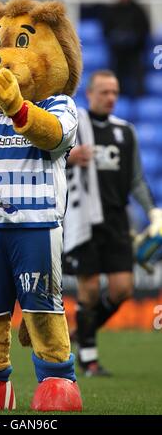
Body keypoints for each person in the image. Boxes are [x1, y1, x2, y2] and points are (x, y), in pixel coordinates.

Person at [63, 69, 162, 376]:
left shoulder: (125, 131)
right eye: (104, 92)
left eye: (115, 92)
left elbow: (135, 179)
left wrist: (152, 211)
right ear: (90, 94)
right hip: (83, 220)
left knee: (122, 289)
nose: (110, 98)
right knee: (89, 291)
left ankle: (81, 332)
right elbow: (45, 157)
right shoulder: (73, 128)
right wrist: (68, 157)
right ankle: (89, 359)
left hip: (117, 221)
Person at [103, 0, 150, 97]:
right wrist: (116, 38)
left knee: (137, 67)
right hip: (117, 50)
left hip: (135, 50)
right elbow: (106, 30)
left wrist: (133, 38)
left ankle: (139, 95)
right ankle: (117, 93)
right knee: (115, 67)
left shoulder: (138, 10)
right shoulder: (112, 10)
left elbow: (145, 29)